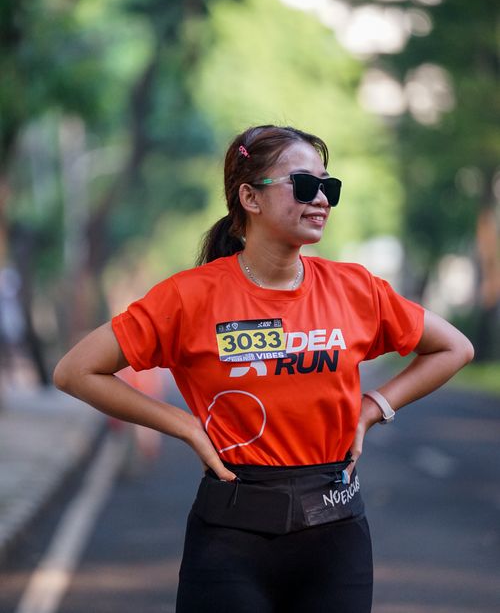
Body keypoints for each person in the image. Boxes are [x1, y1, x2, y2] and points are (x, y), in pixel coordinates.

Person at [53, 124, 474, 613]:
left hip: (335, 536)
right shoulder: (189, 297)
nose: (321, 199)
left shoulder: (356, 288)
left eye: (329, 186)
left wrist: (374, 406)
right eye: (304, 184)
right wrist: (185, 426)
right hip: (229, 539)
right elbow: (76, 371)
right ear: (249, 198)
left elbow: (454, 348)